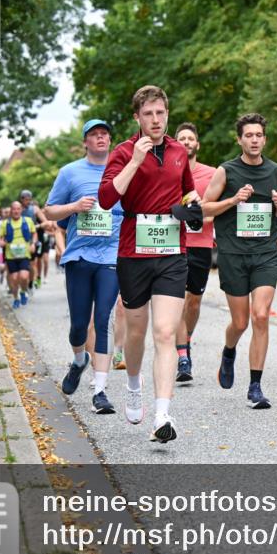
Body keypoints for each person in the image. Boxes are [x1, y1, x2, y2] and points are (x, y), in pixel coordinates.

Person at [98, 85, 197, 443]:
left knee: (166, 333)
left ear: (167, 114)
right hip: (133, 253)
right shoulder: (124, 152)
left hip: (172, 253)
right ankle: (133, 384)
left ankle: (162, 415)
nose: (155, 120)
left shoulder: (178, 152)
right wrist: (135, 162)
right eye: (148, 114)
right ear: (137, 117)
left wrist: (194, 205)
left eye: (160, 113)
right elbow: (106, 198)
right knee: (136, 332)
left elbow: (188, 190)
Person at [200, 113, 277, 408]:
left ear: (264, 139)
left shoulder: (276, 171)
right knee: (239, 322)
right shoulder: (226, 171)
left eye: (258, 135)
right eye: (248, 135)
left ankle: (255, 387)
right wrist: (233, 200)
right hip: (233, 254)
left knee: (260, 316)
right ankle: (229, 351)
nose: (254, 140)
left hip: (265, 254)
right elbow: (204, 208)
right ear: (239, 139)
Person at [45, 119, 122, 415]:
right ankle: (79, 361)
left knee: (103, 319)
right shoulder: (70, 172)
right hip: (79, 256)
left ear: (110, 140)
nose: (100, 138)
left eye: (104, 134)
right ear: (85, 142)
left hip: (111, 257)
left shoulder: (123, 171)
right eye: (94, 134)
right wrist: (74, 207)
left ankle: (100, 391)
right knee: (79, 325)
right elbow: (51, 211)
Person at [172, 122, 218, 383]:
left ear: (197, 144)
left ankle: (186, 339)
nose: (187, 142)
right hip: (173, 244)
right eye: (182, 138)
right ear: (176, 144)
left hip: (201, 244)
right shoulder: (168, 173)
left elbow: (218, 208)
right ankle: (183, 355)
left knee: (194, 301)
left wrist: (200, 216)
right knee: (177, 300)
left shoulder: (211, 174)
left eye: (191, 138)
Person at [0, 200, 35, 308]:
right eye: (14, 209)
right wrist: (0, 242)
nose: (16, 211)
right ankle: (16, 298)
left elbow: (34, 233)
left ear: (21, 210)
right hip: (11, 256)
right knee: (14, 279)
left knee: (24, 276)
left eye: (18, 209)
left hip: (24, 254)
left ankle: (23, 291)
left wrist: (33, 244)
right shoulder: (5, 223)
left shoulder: (28, 221)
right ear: (11, 210)